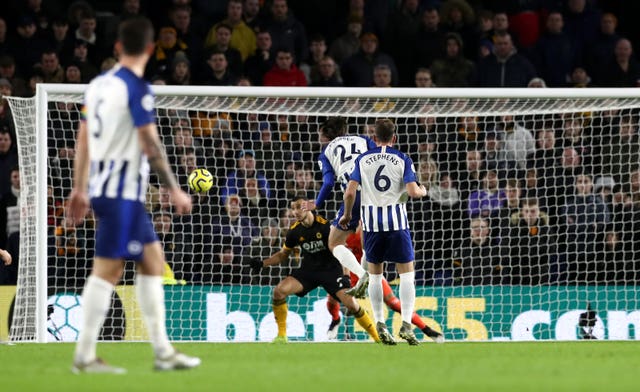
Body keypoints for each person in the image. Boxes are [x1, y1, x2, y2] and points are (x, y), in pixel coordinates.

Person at [66, 17, 200, 373]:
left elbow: (82, 141)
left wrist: (79, 188)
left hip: (112, 191)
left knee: (153, 262)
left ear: (117, 48)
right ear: (152, 50)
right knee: (107, 271)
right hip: (120, 193)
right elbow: (150, 143)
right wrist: (174, 189)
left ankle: (163, 352)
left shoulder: (96, 85)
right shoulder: (137, 88)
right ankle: (84, 354)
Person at [340, 118, 427, 346]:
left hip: (371, 227)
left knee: (376, 276)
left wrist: (348, 215)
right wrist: (423, 190)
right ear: (394, 137)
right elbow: (412, 191)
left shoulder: (362, 159)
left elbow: (349, 193)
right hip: (397, 225)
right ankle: (406, 325)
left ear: (373, 138)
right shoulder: (402, 158)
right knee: (407, 275)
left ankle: (380, 323)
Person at [248, 196, 380, 343]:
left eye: (299, 207)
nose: (295, 211)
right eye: (293, 208)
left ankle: (376, 337)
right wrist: (262, 263)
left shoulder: (325, 226)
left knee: (351, 304)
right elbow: (282, 255)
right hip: (309, 271)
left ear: (309, 207)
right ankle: (281, 336)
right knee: (279, 291)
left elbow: (341, 250)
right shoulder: (294, 232)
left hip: (331, 270)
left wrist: (346, 276)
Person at [325, 227, 444, 342]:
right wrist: (345, 276)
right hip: (348, 273)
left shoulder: (366, 227)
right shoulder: (338, 231)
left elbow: (370, 251)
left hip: (368, 272)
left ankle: (426, 329)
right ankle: (335, 320)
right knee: (332, 298)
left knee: (392, 302)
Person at [306, 117, 375, 298]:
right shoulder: (363, 139)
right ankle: (367, 278)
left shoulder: (326, 152)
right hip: (377, 192)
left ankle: (362, 275)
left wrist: (317, 203)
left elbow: (328, 183)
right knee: (368, 239)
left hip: (354, 195)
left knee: (334, 242)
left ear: (325, 134)